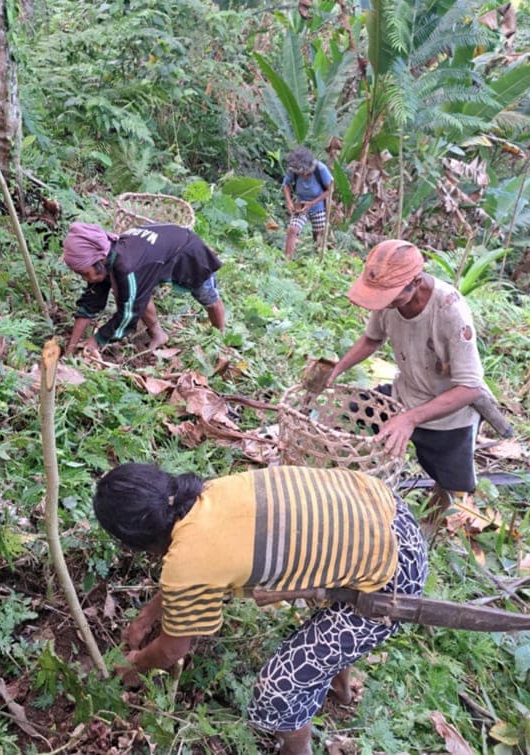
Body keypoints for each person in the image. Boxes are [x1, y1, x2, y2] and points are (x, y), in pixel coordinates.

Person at [93, 462, 427, 755]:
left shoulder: (189, 559)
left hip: (391, 579)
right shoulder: (209, 496)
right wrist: (145, 617)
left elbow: (173, 648)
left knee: (279, 689)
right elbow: (189, 572)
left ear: (133, 540)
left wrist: (136, 665)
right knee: (326, 635)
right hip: (383, 509)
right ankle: (338, 688)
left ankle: (298, 751)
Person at [326, 239, 486, 531]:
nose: (384, 304)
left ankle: (428, 531)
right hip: (405, 393)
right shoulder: (387, 298)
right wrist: (337, 368)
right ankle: (347, 496)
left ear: (415, 282)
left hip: (449, 412)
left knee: (449, 483)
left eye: (390, 297)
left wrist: (410, 419)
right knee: (353, 415)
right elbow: (372, 339)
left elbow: (470, 388)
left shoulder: (450, 311)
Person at [62, 222, 226, 354]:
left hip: (187, 251)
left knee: (208, 298)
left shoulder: (127, 267)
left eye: (84, 273)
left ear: (99, 260)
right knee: (139, 294)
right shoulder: (105, 259)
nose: (85, 279)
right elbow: (90, 304)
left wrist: (97, 340)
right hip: (156, 252)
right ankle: (158, 334)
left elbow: (129, 314)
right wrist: (71, 347)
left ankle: (219, 337)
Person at [282, 146, 333, 260]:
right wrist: (289, 202)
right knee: (292, 230)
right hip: (300, 205)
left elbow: (330, 190)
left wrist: (312, 203)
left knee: (318, 235)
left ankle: (317, 260)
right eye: (301, 174)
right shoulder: (293, 169)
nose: (304, 176)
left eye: (306, 173)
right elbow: (285, 185)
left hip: (318, 206)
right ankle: (287, 261)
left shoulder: (321, 169)